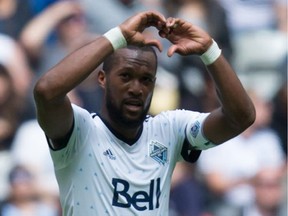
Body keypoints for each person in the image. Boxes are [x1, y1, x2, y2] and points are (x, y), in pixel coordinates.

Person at [33, 10, 255, 215]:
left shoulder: (169, 130)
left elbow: (241, 117)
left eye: (146, 80)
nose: (136, 89)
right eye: (125, 76)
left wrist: (208, 50)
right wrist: (117, 36)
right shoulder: (79, 131)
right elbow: (46, 92)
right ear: (102, 78)